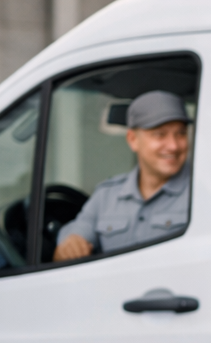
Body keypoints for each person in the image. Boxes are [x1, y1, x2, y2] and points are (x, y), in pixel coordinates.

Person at [53, 90, 192, 261]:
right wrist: (71, 243)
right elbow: (76, 235)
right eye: (160, 134)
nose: (173, 146)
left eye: (181, 134)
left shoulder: (203, 193)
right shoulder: (107, 195)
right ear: (133, 140)